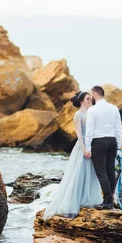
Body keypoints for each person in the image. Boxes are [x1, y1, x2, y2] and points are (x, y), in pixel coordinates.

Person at [43, 91, 103, 220]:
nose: (89, 101)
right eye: (87, 99)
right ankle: (74, 202)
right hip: (82, 147)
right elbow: (79, 135)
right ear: (81, 101)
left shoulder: (91, 113)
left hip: (92, 145)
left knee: (91, 173)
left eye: (90, 99)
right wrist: (84, 149)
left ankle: (88, 198)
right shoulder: (78, 115)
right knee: (79, 173)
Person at [85, 85, 122, 210]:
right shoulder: (114, 108)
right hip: (112, 141)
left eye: (91, 95)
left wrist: (87, 148)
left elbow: (89, 131)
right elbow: (118, 128)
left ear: (95, 95)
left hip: (98, 141)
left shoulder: (92, 110)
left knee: (101, 172)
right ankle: (110, 199)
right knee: (110, 171)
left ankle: (107, 200)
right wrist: (118, 145)